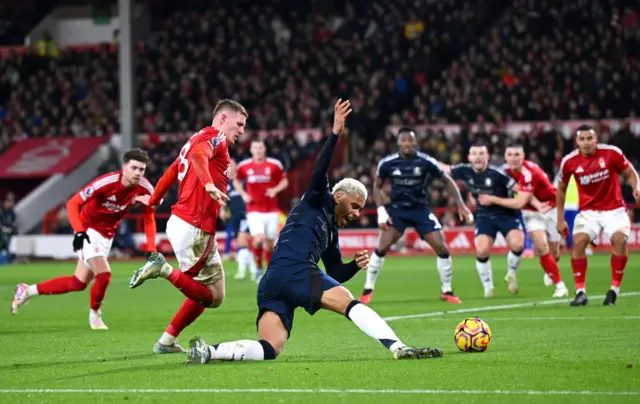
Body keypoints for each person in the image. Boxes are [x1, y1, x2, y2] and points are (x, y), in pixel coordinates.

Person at [186, 99, 443, 364]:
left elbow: (333, 272)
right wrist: (335, 133)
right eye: (355, 206)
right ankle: (398, 347)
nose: (356, 214)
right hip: (295, 269)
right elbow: (320, 169)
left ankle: (209, 351)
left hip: (274, 281)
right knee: (349, 303)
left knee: (269, 348)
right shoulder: (318, 198)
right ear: (339, 195)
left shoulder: (331, 232)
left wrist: (353, 266)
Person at [129, 99, 248, 353]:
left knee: (215, 293)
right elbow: (198, 157)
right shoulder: (216, 137)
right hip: (194, 226)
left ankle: (166, 341)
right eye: (239, 124)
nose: (242, 131)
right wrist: (207, 184)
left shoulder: (194, 138)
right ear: (223, 118)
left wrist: (154, 199)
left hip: (187, 223)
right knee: (207, 296)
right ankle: (163, 269)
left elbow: (172, 171)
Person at [11, 149, 157, 329]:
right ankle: (95, 316)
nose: (138, 173)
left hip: (107, 236)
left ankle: (28, 290)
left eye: (141, 169)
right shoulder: (106, 182)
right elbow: (73, 203)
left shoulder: (146, 189)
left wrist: (152, 248)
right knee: (104, 275)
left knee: (78, 283)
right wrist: (79, 231)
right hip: (88, 230)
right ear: (124, 167)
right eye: (134, 168)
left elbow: (149, 218)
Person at [359, 127, 472, 305]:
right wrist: (381, 210)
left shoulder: (425, 161)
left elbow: (447, 180)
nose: (407, 144)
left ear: (415, 143)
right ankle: (367, 290)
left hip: (421, 211)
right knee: (382, 247)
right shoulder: (387, 163)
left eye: (410, 141)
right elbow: (377, 186)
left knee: (441, 247)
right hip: (398, 211)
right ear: (398, 143)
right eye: (403, 140)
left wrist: (460, 203)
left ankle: (447, 290)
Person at [556, 125, 640, 306]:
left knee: (619, 240)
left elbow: (630, 173)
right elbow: (561, 189)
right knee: (578, 242)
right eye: (582, 139)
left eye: (589, 138)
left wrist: (636, 188)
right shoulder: (569, 162)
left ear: (596, 139)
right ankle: (580, 292)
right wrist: (560, 218)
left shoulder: (612, 153)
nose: (586, 143)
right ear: (576, 142)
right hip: (588, 212)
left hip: (614, 209)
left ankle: (614, 290)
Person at [479, 142, 569, 298]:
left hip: (551, 207)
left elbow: (520, 201)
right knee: (542, 247)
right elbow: (522, 199)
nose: (513, 159)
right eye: (509, 155)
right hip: (531, 212)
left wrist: (492, 199)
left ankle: (551, 269)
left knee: (554, 253)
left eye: (517, 155)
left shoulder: (530, 172)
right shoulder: (503, 171)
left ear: (523, 156)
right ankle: (560, 286)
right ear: (505, 156)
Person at [441, 142, 525, 298]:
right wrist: (425, 159)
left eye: (481, 154)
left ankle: (511, 274)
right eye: (474, 154)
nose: (478, 157)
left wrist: (495, 200)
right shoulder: (464, 170)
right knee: (481, 250)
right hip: (484, 216)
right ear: (469, 157)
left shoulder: (498, 173)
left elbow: (520, 190)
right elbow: (445, 168)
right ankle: (488, 287)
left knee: (518, 244)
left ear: (487, 156)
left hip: (506, 214)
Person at [234, 140, 289, 281]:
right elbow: (236, 180)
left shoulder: (274, 165)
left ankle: (269, 272)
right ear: (251, 150)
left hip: (271, 210)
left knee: (270, 244)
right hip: (254, 210)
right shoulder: (244, 166)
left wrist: (275, 190)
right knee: (258, 239)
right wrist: (244, 194)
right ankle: (258, 268)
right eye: (255, 147)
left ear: (265, 149)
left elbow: (284, 181)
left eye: (260, 147)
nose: (258, 150)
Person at [226, 160, 256, 280]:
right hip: (234, 217)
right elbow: (225, 200)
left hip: (246, 216)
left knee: (243, 242)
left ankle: (246, 271)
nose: (229, 167)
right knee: (242, 244)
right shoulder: (227, 184)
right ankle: (252, 271)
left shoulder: (243, 181)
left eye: (231, 165)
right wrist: (223, 209)